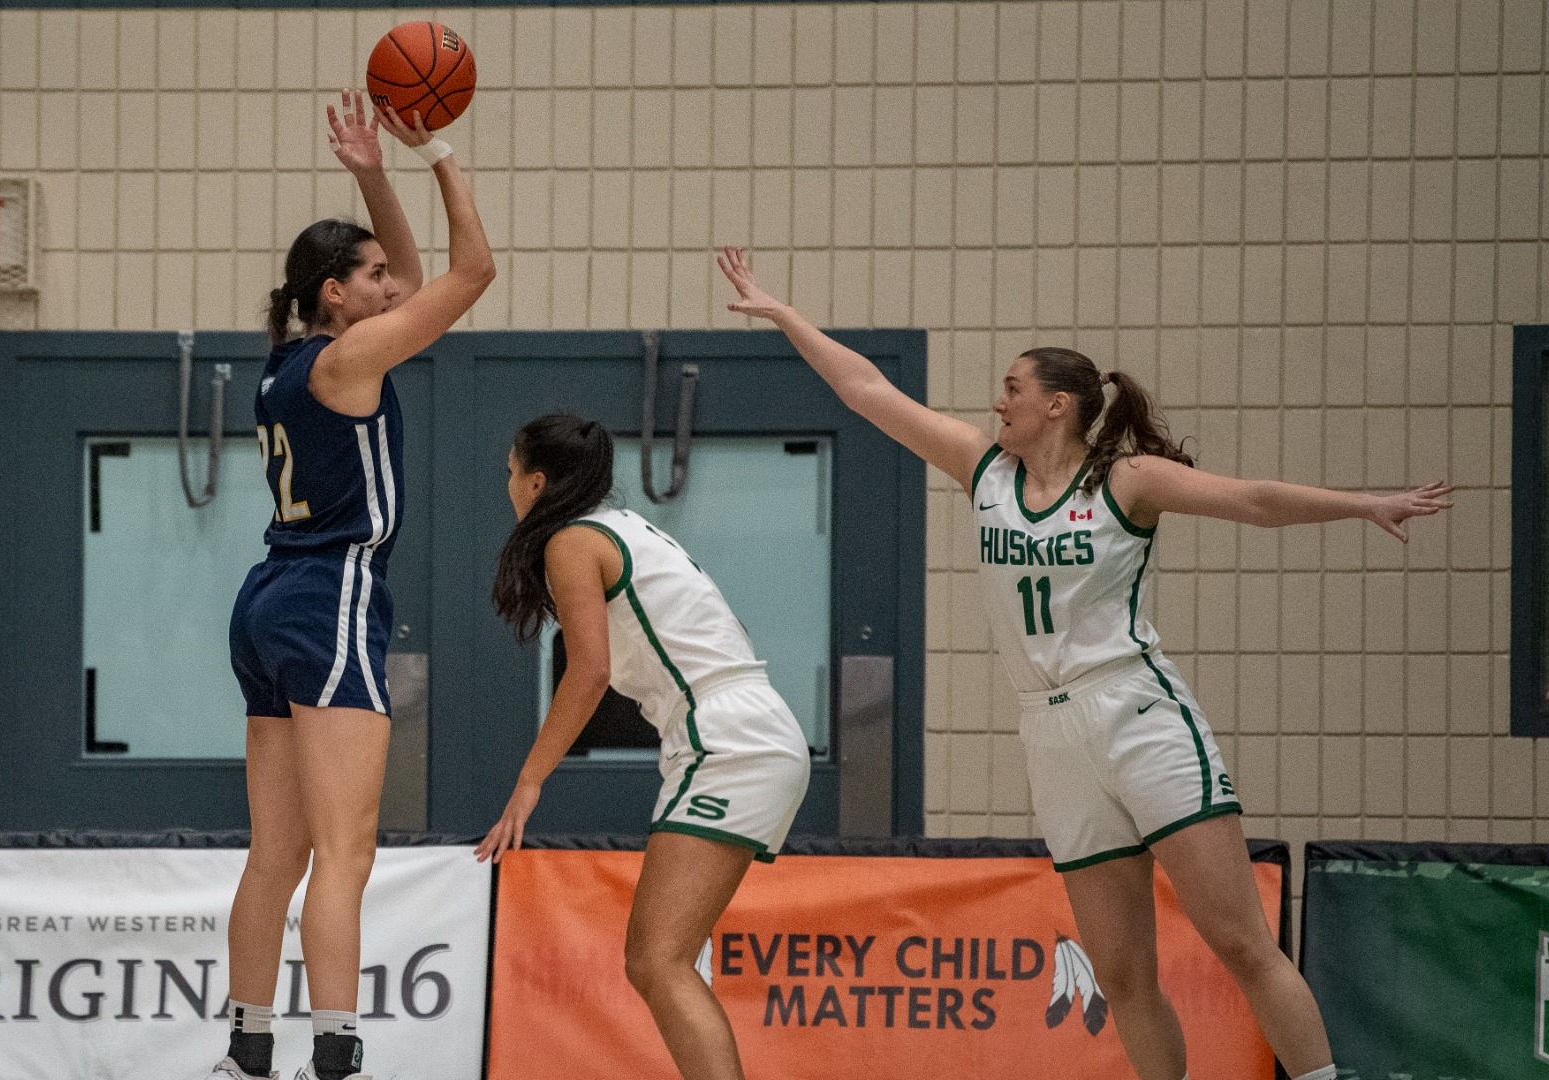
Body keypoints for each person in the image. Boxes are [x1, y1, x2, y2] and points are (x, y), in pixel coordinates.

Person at [716, 247, 1451, 1080]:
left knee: (1241, 941)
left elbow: (1250, 500)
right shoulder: (983, 470)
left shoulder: (1126, 480)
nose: (998, 401)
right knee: (1120, 971)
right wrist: (785, 316)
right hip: (1050, 735)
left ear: (1056, 406)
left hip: (1137, 712)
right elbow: (867, 391)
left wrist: (1366, 505)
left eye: (1013, 388)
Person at [216, 91, 493, 1080]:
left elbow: (415, 276)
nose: (390, 281)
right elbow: (470, 273)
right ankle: (338, 1055)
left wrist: (369, 170)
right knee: (347, 850)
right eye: (370, 273)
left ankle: (247, 1049)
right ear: (336, 294)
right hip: (331, 591)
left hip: (267, 596)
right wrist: (438, 152)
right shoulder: (352, 356)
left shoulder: (290, 362)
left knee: (275, 852)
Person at [476, 414, 810, 1080]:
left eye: (511, 470)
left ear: (536, 481)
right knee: (677, 958)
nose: (506, 482)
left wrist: (530, 780)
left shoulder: (571, 541)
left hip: (726, 741)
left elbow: (589, 671)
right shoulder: (634, 530)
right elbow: (727, 626)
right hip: (748, 726)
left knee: (656, 960)